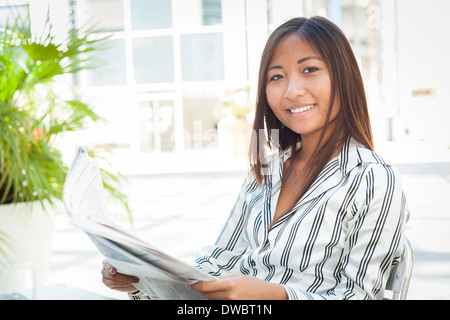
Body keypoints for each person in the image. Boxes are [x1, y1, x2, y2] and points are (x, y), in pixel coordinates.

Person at [101, 16, 409, 300]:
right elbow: (219, 260)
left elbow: (362, 297)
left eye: (309, 70)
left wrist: (277, 295)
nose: (292, 91)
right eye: (277, 76)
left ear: (344, 78)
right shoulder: (266, 170)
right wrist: (143, 278)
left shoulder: (372, 179)